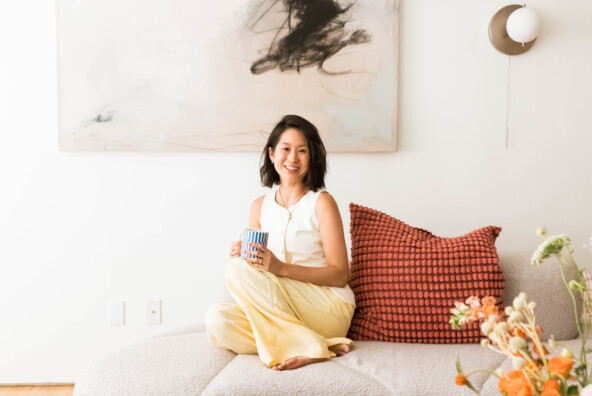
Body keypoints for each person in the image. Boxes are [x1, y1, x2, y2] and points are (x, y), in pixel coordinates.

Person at [205, 114, 356, 370]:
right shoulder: (259, 207)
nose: (293, 158)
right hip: (283, 307)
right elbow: (255, 270)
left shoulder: (322, 203)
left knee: (236, 271)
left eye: (302, 151)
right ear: (272, 154)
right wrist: (244, 256)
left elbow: (340, 274)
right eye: (285, 149)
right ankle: (318, 344)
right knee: (217, 321)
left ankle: (311, 344)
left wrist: (279, 268)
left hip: (327, 305)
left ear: (312, 157)